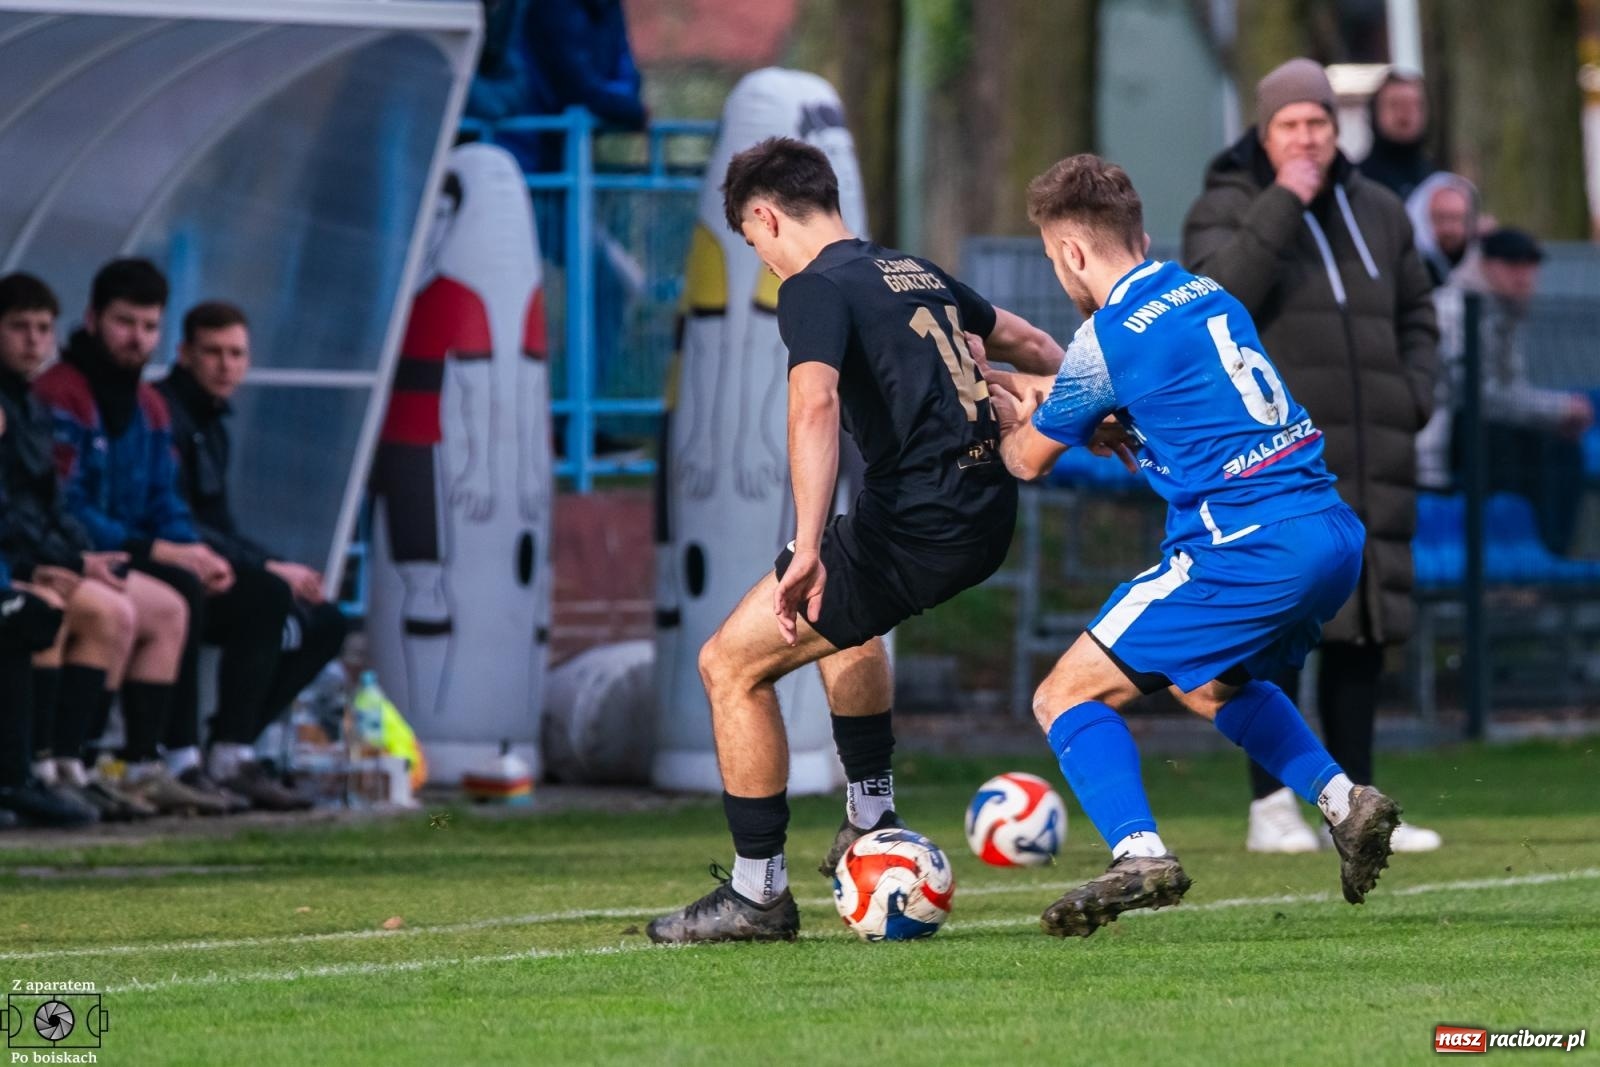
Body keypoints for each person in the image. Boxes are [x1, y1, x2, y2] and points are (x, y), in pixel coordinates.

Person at [646, 137, 1066, 945]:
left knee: (728, 666)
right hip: (977, 514)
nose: (763, 261)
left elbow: (814, 405)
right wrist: (1076, 404)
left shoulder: (813, 288)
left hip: (918, 522)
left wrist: (803, 545)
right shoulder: (912, 270)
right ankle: (870, 816)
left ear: (764, 217)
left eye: (751, 241)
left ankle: (757, 892)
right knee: (848, 625)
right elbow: (1035, 345)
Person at [987, 153, 1400, 936]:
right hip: (1330, 531)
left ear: (1072, 252)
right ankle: (1346, 802)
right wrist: (1098, 421)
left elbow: (1026, 460)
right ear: (1139, 231)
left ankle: (1140, 853)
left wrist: (995, 411)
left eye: (1052, 257)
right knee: (1204, 683)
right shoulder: (1204, 291)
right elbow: (1169, 402)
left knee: (1062, 694)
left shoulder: (1103, 337)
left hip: (1249, 544)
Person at [1182, 58, 1443, 855]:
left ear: (1338, 129)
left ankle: (1359, 808)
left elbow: (1419, 317)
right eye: (1292, 125)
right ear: (1265, 132)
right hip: (1276, 465)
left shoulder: (1381, 211)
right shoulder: (1225, 205)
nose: (1309, 139)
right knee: (1276, 631)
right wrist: (1283, 201)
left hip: (1375, 456)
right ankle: (1272, 806)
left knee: (1363, 633)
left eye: (1320, 124)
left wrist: (1413, 395)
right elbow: (1215, 301)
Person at [34, 259, 243, 816]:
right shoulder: (61, 394)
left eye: (149, 326)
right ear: (93, 319)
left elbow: (164, 498)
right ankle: (81, 760)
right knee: (152, 600)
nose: (137, 338)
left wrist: (194, 549)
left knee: (182, 593)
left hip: (114, 553)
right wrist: (149, 550)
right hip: (81, 554)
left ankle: (142, 764)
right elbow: (64, 502)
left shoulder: (149, 405)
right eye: (126, 322)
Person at [0, 271, 192, 821]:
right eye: (19, 327)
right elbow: (16, 508)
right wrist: (49, 565)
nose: (34, 340)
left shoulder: (30, 404)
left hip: (44, 556)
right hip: (21, 565)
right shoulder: (54, 394)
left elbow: (52, 503)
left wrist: (79, 558)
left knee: (153, 605)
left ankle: (77, 766)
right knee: (64, 612)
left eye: (41, 328)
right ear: (95, 320)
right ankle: (32, 770)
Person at [159, 301, 347, 810]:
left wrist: (276, 565)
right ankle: (206, 756)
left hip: (212, 566)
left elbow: (219, 526)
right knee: (265, 594)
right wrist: (264, 568)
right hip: (171, 569)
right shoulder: (164, 414)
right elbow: (175, 518)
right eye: (213, 352)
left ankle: (232, 745)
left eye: (236, 354)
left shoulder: (212, 423)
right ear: (184, 354)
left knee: (325, 619)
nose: (226, 365)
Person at [1424, 228, 1596, 552]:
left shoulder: (1504, 310)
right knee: (1527, 445)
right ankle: (1518, 558)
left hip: (1480, 427)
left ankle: (1548, 555)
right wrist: (1558, 410)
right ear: (1487, 264)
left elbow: (1510, 389)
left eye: (1530, 264)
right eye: (1513, 263)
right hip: (1441, 437)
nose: (1524, 275)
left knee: (1561, 444)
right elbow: (1478, 396)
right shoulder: (1457, 308)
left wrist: (1557, 416)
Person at [1358, 68, 1436, 201]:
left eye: (1414, 105)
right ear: (1375, 112)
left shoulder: (1437, 182)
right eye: (1395, 105)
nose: (1405, 113)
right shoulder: (1357, 182)